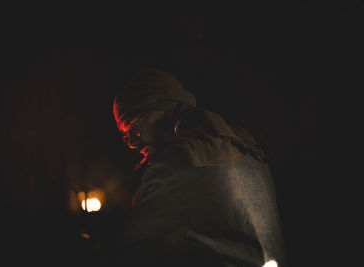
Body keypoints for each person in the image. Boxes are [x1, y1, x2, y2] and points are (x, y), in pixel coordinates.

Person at [112, 69, 286, 267]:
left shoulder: (176, 165)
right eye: (125, 136)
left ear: (165, 110)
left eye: (133, 128)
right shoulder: (245, 144)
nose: (132, 142)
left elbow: (133, 251)